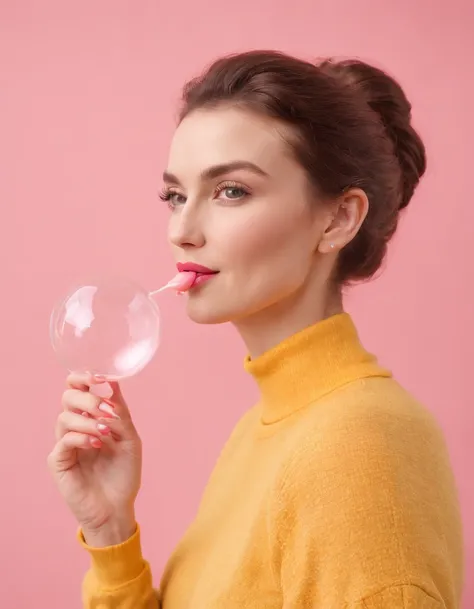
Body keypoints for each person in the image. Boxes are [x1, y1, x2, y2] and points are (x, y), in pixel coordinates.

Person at [48, 50, 464, 608]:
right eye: (175, 195)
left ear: (338, 218)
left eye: (231, 191)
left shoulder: (358, 447)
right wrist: (110, 530)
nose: (183, 230)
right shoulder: (270, 429)